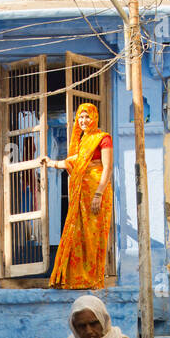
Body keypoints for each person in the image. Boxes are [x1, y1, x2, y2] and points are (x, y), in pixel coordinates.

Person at [41, 102, 113, 289]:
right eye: (80, 117)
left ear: (94, 117)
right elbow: (71, 163)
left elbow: (107, 168)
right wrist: (51, 163)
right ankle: (76, 278)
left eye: (87, 116)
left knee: (93, 235)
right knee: (77, 232)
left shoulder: (103, 138)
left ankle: (93, 278)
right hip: (81, 192)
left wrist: (98, 194)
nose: (83, 120)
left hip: (96, 191)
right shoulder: (82, 141)